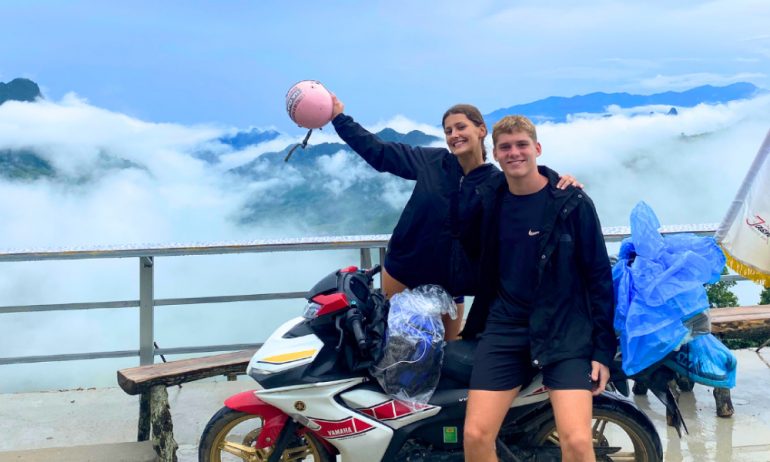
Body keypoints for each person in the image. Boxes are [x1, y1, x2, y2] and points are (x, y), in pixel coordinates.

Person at [330, 97, 582, 339]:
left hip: (451, 289)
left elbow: (530, 186)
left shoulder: (497, 182)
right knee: (395, 348)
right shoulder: (432, 162)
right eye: (448, 130)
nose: (454, 135)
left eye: (461, 127)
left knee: (445, 358)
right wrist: (339, 118)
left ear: (481, 130)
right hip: (402, 273)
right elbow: (380, 153)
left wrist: (558, 181)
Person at [460, 115, 616, 462]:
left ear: (537, 149)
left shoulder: (571, 203)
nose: (514, 153)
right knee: (474, 435)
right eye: (506, 147)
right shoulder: (489, 201)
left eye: (521, 145)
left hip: (564, 330)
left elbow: (599, 277)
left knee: (576, 442)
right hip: (505, 327)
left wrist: (603, 350)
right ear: (496, 155)